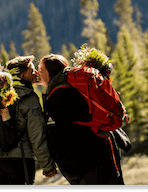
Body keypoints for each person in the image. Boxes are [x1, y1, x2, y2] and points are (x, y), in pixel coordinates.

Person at [37, 54, 125, 185]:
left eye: (41, 70)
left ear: (51, 72)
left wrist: (69, 166)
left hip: (87, 161)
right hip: (101, 150)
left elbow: (65, 133)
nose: (38, 73)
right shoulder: (69, 87)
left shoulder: (59, 95)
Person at [0, 55, 58, 185]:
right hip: (19, 160)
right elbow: (37, 136)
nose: (36, 73)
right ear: (22, 76)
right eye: (31, 70)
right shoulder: (28, 98)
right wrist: (48, 166)